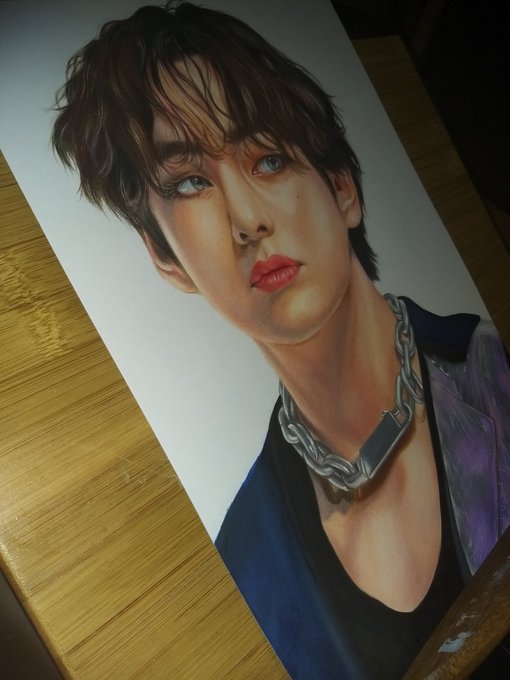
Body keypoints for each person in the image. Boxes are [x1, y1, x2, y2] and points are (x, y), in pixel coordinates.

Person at [51, 3, 510, 678]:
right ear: (167, 260)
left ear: (342, 189)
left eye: (267, 159)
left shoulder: (489, 364)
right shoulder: (246, 556)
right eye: (190, 183)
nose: (246, 219)